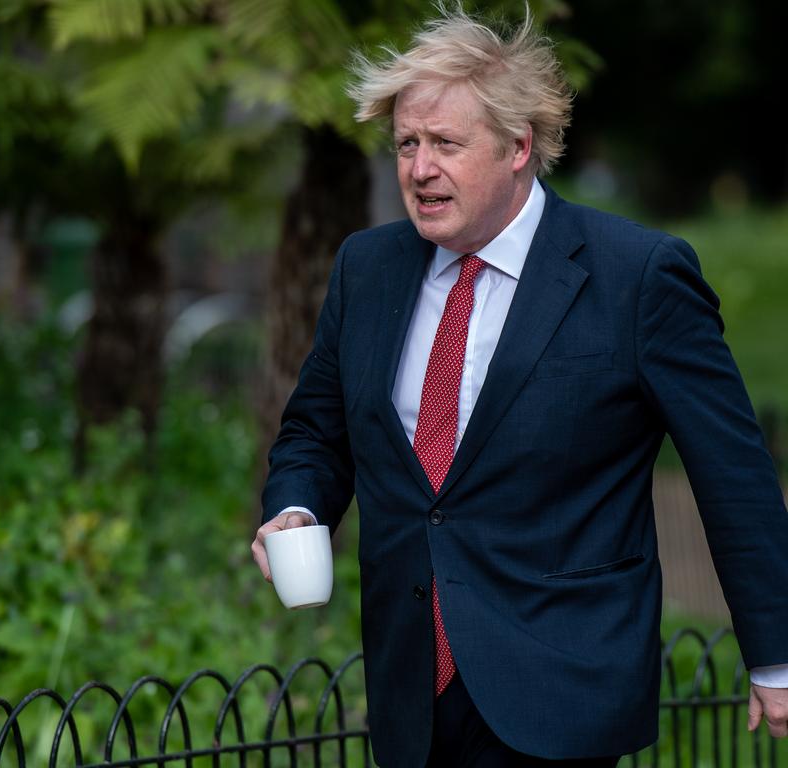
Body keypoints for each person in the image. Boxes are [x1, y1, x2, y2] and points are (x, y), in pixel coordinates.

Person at [250, 7, 788, 767]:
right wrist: (297, 507)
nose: (419, 168)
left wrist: (776, 657)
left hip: (561, 686)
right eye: (407, 144)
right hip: (412, 690)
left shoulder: (637, 276)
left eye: (445, 144)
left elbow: (732, 472)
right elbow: (316, 431)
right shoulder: (365, 269)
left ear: (517, 148)